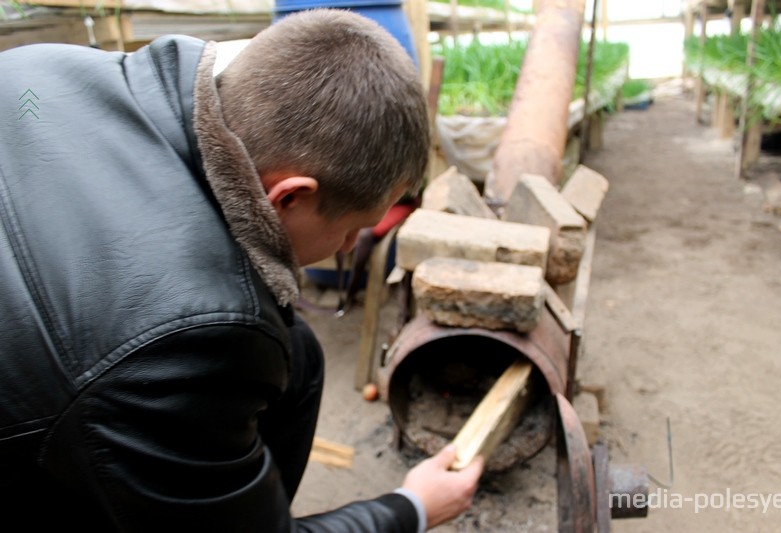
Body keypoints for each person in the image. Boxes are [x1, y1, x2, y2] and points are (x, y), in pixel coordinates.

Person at [0, 8, 483, 532]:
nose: (348, 246)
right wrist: (411, 508)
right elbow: (167, 339)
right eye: (353, 231)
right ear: (291, 196)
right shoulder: (189, 337)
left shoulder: (38, 68)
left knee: (298, 355)